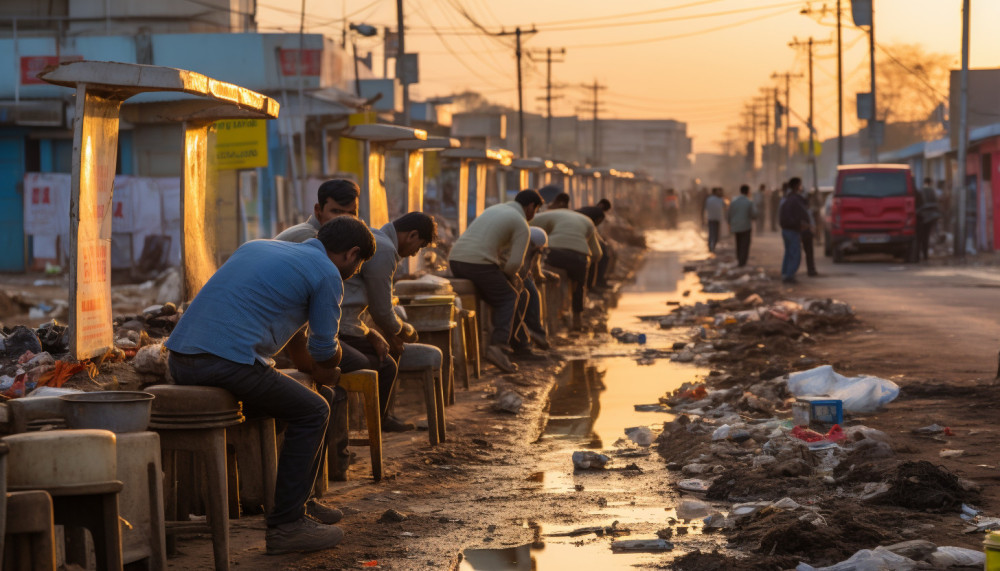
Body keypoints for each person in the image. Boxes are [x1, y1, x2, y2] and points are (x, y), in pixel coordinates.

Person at [165, 216, 376, 555]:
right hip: (224, 364)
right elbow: (324, 350)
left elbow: (299, 341)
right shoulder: (327, 273)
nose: (355, 270)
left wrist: (315, 372)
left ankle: (300, 503)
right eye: (359, 263)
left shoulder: (258, 247)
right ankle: (286, 526)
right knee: (315, 410)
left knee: (309, 398)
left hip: (180, 359)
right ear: (352, 254)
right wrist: (331, 365)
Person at [336, 212, 438, 432]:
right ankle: (379, 419)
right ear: (412, 235)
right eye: (419, 247)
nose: (414, 254)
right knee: (387, 362)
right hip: (342, 324)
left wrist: (391, 332)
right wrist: (405, 331)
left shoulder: (376, 237)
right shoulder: (384, 249)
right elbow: (382, 311)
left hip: (346, 320)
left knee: (388, 342)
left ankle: (381, 415)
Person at [449, 189, 544, 373]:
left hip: (456, 261)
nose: (534, 214)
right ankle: (499, 347)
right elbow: (514, 264)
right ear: (531, 206)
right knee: (509, 297)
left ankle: (518, 345)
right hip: (477, 264)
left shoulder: (495, 209)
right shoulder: (521, 223)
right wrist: (512, 276)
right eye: (536, 210)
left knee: (515, 294)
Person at [531, 203, 602, 331]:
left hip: (554, 253)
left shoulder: (552, 214)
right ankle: (577, 321)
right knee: (578, 288)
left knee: (550, 281)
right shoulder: (588, 221)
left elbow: (528, 223)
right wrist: (586, 267)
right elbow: (597, 253)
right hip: (579, 257)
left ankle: (552, 320)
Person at [510, 227, 554, 356]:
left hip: (515, 273)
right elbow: (518, 268)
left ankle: (533, 331)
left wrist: (544, 275)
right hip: (508, 273)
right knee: (523, 295)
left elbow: (533, 269)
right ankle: (527, 336)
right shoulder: (520, 243)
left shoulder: (531, 248)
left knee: (530, 293)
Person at [779, 177, 811, 284]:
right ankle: (789, 275)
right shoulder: (795, 199)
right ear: (797, 185)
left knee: (788, 253)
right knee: (795, 254)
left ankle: (785, 274)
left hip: (785, 229)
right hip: (793, 230)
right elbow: (804, 210)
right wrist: (804, 224)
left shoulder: (787, 198)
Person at [728, 184, 756, 267]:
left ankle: (739, 259)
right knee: (745, 245)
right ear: (747, 192)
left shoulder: (734, 201)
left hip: (736, 226)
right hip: (746, 227)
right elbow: (754, 214)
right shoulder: (749, 202)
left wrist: (730, 223)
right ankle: (742, 261)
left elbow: (729, 214)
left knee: (738, 244)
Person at [916, 177, 941, 261]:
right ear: (930, 183)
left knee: (919, 237)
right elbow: (936, 202)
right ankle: (925, 255)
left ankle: (918, 254)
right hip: (929, 217)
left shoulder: (920, 190)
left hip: (921, 217)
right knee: (925, 236)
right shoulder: (932, 191)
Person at [801, 188, 819, 277]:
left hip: (804, 231)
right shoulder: (806, 210)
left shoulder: (804, 209)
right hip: (806, 232)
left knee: (808, 252)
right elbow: (811, 223)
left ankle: (811, 269)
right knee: (809, 252)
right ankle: (811, 270)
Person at [704, 187, 725, 253]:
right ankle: (713, 246)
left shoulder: (708, 199)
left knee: (711, 233)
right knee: (716, 234)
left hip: (710, 218)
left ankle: (710, 246)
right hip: (717, 218)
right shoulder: (720, 199)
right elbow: (724, 206)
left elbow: (706, 208)